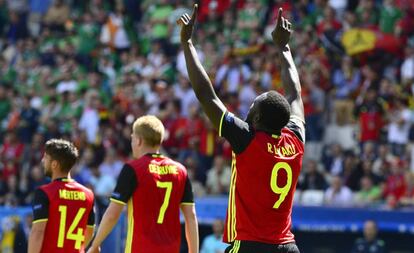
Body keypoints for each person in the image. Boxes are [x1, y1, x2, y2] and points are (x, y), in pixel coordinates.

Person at [178, 5, 304, 253]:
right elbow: (295, 94)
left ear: (256, 118)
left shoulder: (247, 139)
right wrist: (284, 47)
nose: (247, 108)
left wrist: (187, 43)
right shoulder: (295, 140)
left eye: (252, 105)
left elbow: (206, 95)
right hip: (288, 246)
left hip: (250, 245)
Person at [87, 115, 198, 253]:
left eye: (132, 138)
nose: (132, 142)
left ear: (139, 140)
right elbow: (191, 216)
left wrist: (95, 244)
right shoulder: (181, 170)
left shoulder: (133, 169)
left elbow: (112, 215)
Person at [28, 139, 95, 253]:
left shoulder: (44, 192)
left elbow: (37, 232)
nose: (42, 161)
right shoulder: (88, 194)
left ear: (54, 164)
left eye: (45, 157)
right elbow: (89, 232)